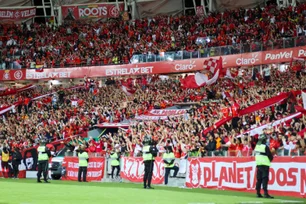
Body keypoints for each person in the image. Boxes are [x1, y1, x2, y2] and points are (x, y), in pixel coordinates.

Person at [255, 134, 274, 199]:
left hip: (259, 164)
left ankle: (258, 193)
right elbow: (270, 155)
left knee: (259, 179)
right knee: (265, 179)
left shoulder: (257, 146)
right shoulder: (265, 147)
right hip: (265, 165)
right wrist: (270, 160)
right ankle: (265, 193)